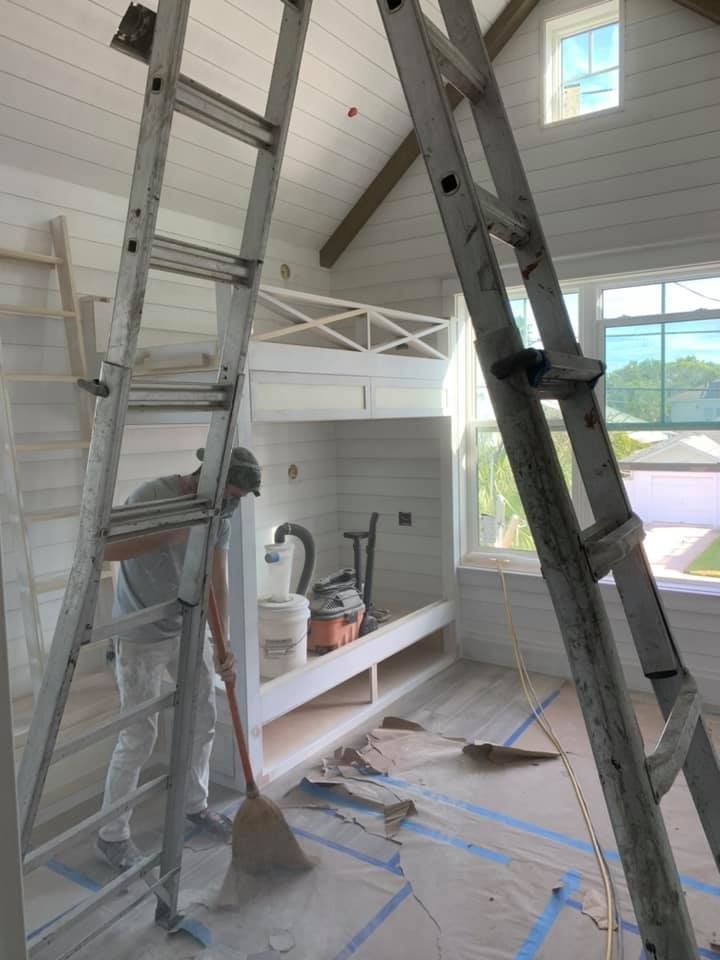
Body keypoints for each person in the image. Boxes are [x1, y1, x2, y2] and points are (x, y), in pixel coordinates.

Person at [95, 446, 262, 871]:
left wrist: (221, 643)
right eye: (232, 494)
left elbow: (217, 578)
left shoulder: (221, 513)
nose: (233, 504)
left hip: (187, 630)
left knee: (203, 718)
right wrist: (175, 532)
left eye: (240, 498)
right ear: (208, 476)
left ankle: (195, 805)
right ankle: (112, 836)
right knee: (139, 736)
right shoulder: (155, 495)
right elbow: (107, 549)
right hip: (139, 635)